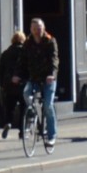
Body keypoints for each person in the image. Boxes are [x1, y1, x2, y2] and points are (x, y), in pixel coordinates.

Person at [23, 17, 60, 148]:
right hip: (34, 77)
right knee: (26, 93)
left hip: (48, 79)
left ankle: (52, 136)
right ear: (31, 30)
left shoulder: (50, 41)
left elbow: (54, 60)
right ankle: (32, 114)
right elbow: (22, 60)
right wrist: (16, 75)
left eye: (39, 28)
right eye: (34, 29)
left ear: (43, 28)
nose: (36, 31)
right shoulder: (28, 43)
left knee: (48, 105)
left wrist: (52, 75)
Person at [0, 33, 29, 138]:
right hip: (22, 84)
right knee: (23, 108)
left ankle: (8, 123)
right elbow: (28, 68)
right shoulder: (25, 53)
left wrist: (2, 84)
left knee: (9, 107)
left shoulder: (5, 53)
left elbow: (0, 70)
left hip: (9, 85)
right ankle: (22, 131)